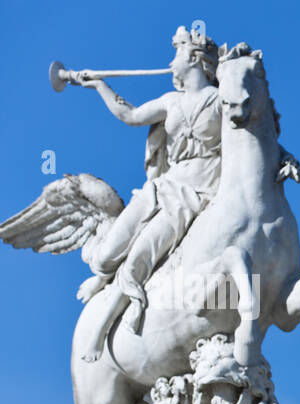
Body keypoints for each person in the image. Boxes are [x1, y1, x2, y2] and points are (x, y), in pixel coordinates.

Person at [73, 26, 223, 361]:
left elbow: (252, 136)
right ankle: (103, 274)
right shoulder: (171, 102)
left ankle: (103, 328)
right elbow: (130, 116)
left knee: (142, 250)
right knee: (105, 255)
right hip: (162, 189)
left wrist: (283, 159)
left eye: (177, 51)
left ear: (194, 57)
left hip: (195, 195)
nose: (172, 61)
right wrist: (99, 85)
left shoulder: (220, 101)